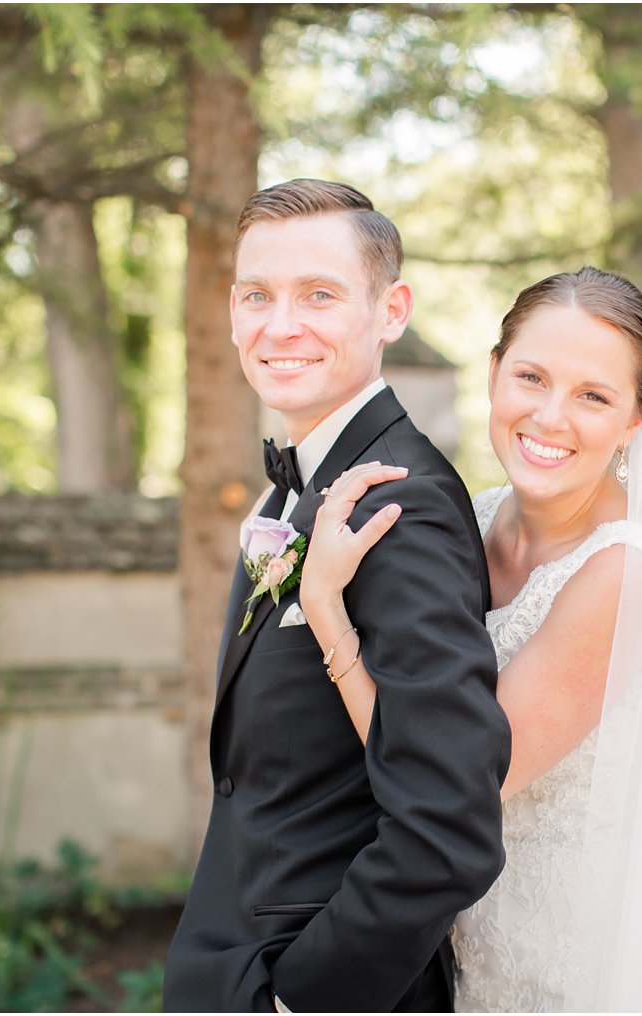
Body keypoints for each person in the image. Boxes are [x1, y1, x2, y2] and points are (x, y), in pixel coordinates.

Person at [302, 267, 642, 1011]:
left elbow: (455, 781)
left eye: (594, 396)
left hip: (566, 962)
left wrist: (328, 614)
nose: (551, 416)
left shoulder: (626, 575)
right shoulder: (473, 515)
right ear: (494, 375)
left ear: (635, 421)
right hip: (452, 939)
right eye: (531, 376)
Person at [162, 180, 511, 1013]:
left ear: (391, 311)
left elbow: (449, 827)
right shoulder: (296, 487)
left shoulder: (401, 501)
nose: (280, 325)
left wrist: (301, 999)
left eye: (319, 294)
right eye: (257, 295)